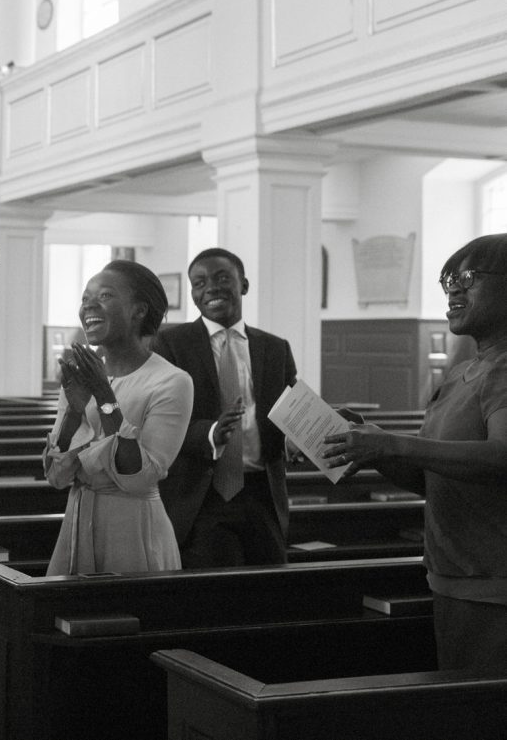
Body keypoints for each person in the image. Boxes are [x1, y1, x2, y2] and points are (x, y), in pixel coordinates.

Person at [323, 234, 507, 670]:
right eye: (448, 280)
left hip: (495, 583)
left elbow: (502, 457)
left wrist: (392, 442)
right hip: (451, 575)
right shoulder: (461, 373)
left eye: (468, 277)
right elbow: (431, 476)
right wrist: (375, 451)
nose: (454, 290)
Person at [43, 260, 193, 575]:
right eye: (85, 298)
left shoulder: (171, 381)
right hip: (79, 517)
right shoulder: (83, 373)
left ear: (139, 310)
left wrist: (104, 396)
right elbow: (57, 476)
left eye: (105, 296)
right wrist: (73, 409)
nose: (89, 306)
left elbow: (141, 477)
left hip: (133, 525)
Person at [152, 248, 298, 568]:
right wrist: (211, 433)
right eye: (200, 283)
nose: (211, 289)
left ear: (243, 284)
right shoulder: (171, 345)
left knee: (270, 588)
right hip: (201, 494)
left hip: (262, 494)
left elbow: (292, 412)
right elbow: (161, 423)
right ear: (193, 294)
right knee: (217, 596)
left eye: (222, 278)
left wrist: (295, 438)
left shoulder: (275, 349)